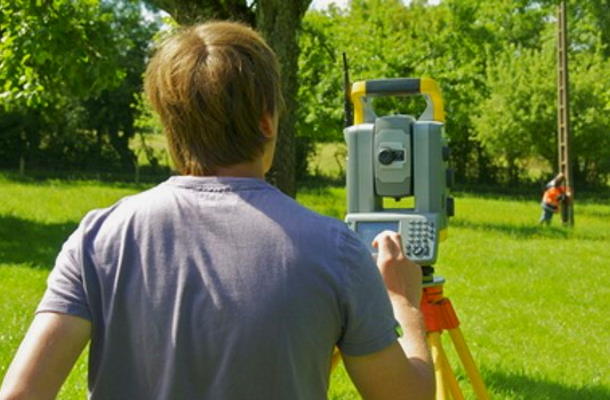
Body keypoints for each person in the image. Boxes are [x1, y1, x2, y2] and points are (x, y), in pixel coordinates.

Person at [0, 22, 434, 400]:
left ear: (169, 123)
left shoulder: (100, 237)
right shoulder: (335, 249)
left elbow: (21, 393)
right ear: (267, 121)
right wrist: (403, 303)